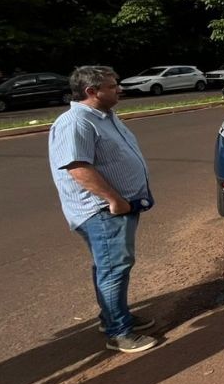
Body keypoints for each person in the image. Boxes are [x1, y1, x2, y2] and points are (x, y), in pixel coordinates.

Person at [49, 66, 159, 353]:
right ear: (91, 91)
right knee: (114, 268)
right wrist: (114, 199)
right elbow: (77, 167)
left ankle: (112, 316)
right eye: (112, 86)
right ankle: (119, 332)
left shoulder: (104, 116)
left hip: (117, 207)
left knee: (109, 266)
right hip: (102, 211)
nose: (118, 89)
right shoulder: (76, 123)